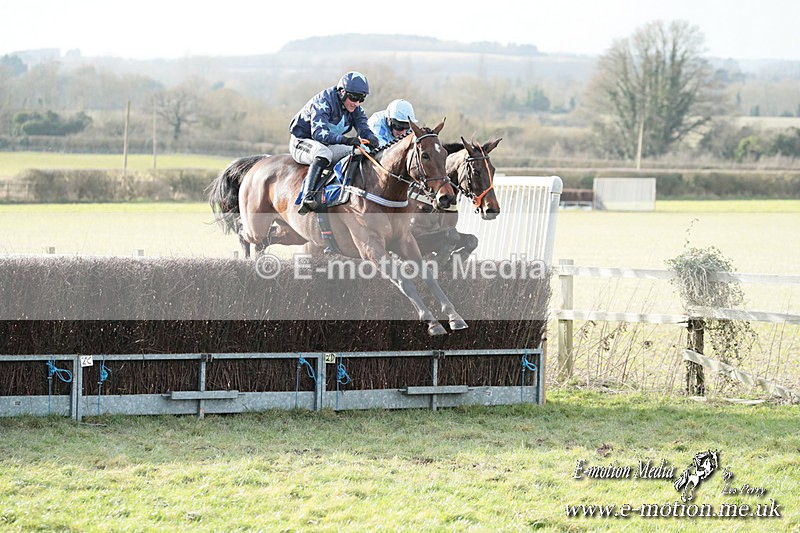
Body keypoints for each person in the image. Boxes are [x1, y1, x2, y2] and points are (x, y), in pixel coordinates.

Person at [289, 71, 381, 214]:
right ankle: (308, 196)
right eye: (354, 97)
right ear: (342, 92)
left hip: (327, 144)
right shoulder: (323, 102)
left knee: (360, 150)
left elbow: (363, 127)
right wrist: (346, 140)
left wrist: (373, 139)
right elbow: (319, 134)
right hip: (302, 142)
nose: (357, 103)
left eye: (361, 99)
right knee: (322, 152)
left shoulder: (355, 108)